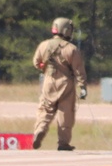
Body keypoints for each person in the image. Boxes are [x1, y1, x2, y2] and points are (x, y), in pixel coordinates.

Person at [32, 17, 87, 151]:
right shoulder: (72, 49)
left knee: (45, 109)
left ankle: (40, 130)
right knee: (65, 113)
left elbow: (36, 63)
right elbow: (79, 70)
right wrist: (82, 87)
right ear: (67, 30)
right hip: (65, 84)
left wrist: (44, 67)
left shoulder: (44, 45)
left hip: (48, 82)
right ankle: (63, 143)